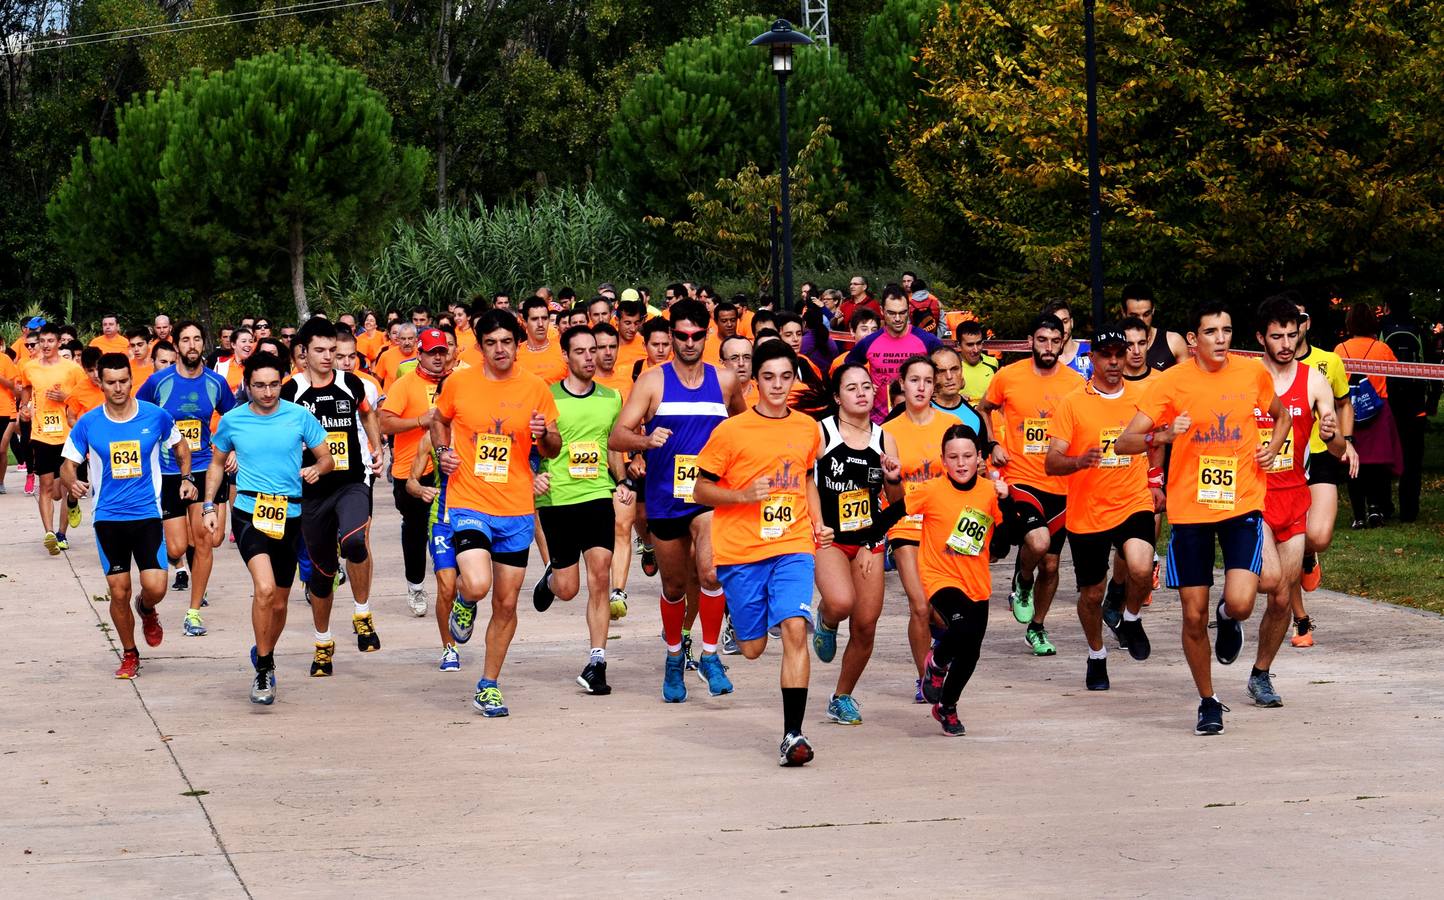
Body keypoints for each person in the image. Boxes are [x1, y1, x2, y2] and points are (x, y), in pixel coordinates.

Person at [1116, 301, 1291, 735]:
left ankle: (1229, 619)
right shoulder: (1171, 383)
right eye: (1211, 332)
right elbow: (1124, 442)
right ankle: (1208, 701)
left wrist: (1273, 445)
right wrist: (1164, 434)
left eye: (1226, 331)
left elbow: (1282, 413)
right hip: (1191, 510)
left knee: (1241, 602)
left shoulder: (1251, 373)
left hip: (1241, 503)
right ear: (1193, 340)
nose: (1220, 339)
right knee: (1192, 618)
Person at [694, 339, 832, 765]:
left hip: (792, 543)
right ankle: (739, 621)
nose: (776, 385)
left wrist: (817, 520)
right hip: (741, 551)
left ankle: (793, 734)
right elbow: (699, 489)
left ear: (794, 380)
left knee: (794, 628)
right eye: (768, 377)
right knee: (753, 649)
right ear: (753, 381)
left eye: (785, 377)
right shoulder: (731, 431)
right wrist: (739, 495)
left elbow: (807, 478)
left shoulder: (808, 428)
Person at [609, 299, 746, 701]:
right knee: (673, 587)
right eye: (681, 335)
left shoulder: (724, 381)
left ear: (708, 336)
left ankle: (710, 654)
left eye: (696, 336)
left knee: (710, 575)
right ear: (671, 336)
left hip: (707, 496)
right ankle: (673, 658)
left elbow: (743, 426)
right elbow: (617, 436)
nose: (688, 342)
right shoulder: (652, 381)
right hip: (665, 498)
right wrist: (645, 441)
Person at [434, 310, 561, 718]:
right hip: (469, 500)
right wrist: (443, 453)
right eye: (492, 343)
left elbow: (553, 447)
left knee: (506, 604)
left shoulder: (536, 388)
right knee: (476, 581)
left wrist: (545, 435)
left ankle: (488, 685)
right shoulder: (458, 382)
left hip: (517, 509)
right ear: (480, 346)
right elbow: (439, 421)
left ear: (517, 344)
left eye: (507, 341)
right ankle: (465, 601)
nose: (500, 349)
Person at [204, 351, 333, 704]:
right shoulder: (232, 420)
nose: (267, 392)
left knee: (278, 602)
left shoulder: (299, 417)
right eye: (259, 385)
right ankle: (263, 669)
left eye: (274, 384)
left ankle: (265, 652)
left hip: (290, 515)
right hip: (249, 510)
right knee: (263, 589)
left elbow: (327, 457)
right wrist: (208, 506)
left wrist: (317, 470)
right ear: (247, 386)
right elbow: (215, 465)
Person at [1044, 326, 1161, 691]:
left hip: (1133, 500)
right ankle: (1096, 654)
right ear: (1091, 359)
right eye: (1105, 355)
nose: (1113, 362)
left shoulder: (1144, 397)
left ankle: (1131, 617)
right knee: (1092, 594)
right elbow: (1051, 462)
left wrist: (1156, 480)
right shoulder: (1072, 402)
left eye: (1119, 354)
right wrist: (1079, 461)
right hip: (1088, 510)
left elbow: (1155, 440)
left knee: (1142, 568)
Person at [61, 353, 191, 678]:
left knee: (156, 586)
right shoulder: (90, 423)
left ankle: (147, 609)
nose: (118, 388)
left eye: (123, 381)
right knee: (119, 589)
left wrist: (186, 477)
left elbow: (180, 446)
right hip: (108, 517)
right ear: (100, 383)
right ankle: (130, 653)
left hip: (146, 514)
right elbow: (68, 464)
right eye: (111, 382)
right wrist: (72, 482)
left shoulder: (155, 416)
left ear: (131, 380)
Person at [1246, 298, 1344, 708]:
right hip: (1252, 497)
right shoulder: (1246, 378)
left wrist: (1332, 432)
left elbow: (1336, 449)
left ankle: (1261, 674)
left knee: (1283, 598)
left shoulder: (1314, 381)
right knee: (1268, 581)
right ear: (1260, 338)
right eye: (1276, 336)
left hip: (1294, 497)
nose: (1285, 343)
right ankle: (1232, 610)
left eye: (1291, 334)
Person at [282, 318, 386, 677]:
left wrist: (377, 447)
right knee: (323, 575)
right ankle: (323, 643)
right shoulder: (290, 391)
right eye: (321, 351)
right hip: (311, 493)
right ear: (303, 353)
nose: (329, 358)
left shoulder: (350, 383)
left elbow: (368, 414)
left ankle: (362, 613)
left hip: (351, 481)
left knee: (355, 540)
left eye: (334, 351)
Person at [888, 424, 1007, 736]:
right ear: (943, 460)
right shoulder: (931, 490)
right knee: (961, 628)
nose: (961, 463)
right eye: (953, 457)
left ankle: (947, 706)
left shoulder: (988, 492)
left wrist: (1007, 501)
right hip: (939, 576)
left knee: (971, 651)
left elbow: (1006, 541)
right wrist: (864, 538)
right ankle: (937, 662)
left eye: (968, 455)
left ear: (979, 457)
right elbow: (895, 511)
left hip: (977, 582)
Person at [978, 314, 1084, 655]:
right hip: (1021, 477)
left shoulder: (1075, 382)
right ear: (1030, 341)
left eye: (1055, 341)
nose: (1049, 347)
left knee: (1052, 565)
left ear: (1062, 343)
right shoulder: (1008, 376)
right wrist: (992, 442)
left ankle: (1037, 627)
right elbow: (984, 408)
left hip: (1063, 484)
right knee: (1037, 543)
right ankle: (1023, 581)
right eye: (1042, 340)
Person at [531, 326, 628, 695]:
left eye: (595, 350)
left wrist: (622, 480)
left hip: (597, 494)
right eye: (581, 351)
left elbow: (614, 445)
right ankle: (552, 578)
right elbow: (529, 444)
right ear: (566, 357)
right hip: (557, 499)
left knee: (600, 575)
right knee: (569, 589)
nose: (590, 357)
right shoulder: (547, 396)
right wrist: (534, 478)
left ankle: (597, 662)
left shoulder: (611, 398)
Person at [810, 363, 902, 724]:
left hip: (869, 540)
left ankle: (842, 696)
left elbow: (897, 502)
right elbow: (805, 483)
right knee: (840, 602)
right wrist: (817, 525)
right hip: (830, 538)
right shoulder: (822, 433)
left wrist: (893, 477)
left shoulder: (885, 439)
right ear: (837, 397)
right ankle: (826, 620)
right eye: (852, 388)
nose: (862, 392)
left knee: (866, 623)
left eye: (867, 386)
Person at [135, 322, 236, 637]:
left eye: (196, 339)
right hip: (169, 472)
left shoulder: (216, 383)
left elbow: (235, 419)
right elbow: (136, 412)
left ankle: (193, 613)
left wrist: (231, 449)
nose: (191, 345)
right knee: (178, 546)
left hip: (206, 468)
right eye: (185, 340)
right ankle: (159, 588)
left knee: (207, 540)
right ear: (176, 345)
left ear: (203, 344)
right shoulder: (158, 382)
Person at [881, 356, 955, 698]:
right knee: (920, 605)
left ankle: (940, 653)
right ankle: (925, 679)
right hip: (906, 525)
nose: (922, 387)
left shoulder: (951, 426)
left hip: (943, 527)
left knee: (947, 609)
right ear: (902, 383)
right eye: (915, 380)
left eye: (928, 380)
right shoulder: (887, 432)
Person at [1286, 293, 1354, 634]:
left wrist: (1347, 441)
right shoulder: (1262, 371)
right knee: (1290, 541)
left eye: (1299, 319)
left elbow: (1344, 403)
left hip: (1321, 452)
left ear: (1307, 323)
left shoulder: (1329, 361)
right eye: (1285, 321)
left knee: (1318, 536)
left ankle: (1310, 556)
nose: (1292, 328)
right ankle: (1300, 619)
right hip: (1284, 460)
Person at [380, 331, 451, 614]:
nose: (437, 358)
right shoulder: (404, 384)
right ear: (419, 354)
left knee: (451, 529)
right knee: (416, 529)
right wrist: (421, 420)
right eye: (431, 352)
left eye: (441, 352)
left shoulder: (455, 383)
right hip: (410, 470)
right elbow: (385, 423)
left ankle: (452, 585)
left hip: (448, 467)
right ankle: (416, 585)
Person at [16, 322, 85, 554]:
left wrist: (66, 396)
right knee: (46, 486)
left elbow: (83, 397)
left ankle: (62, 533)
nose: (45, 345)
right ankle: (49, 533)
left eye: (50, 341)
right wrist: (24, 407)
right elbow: (26, 389)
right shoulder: (30, 367)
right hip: (42, 434)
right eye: (41, 341)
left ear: (58, 342)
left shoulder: (72, 369)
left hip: (67, 434)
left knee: (63, 489)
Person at [1335, 302, 1403, 529]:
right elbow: (1397, 374)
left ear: (1350, 323)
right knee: (1377, 465)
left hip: (1350, 412)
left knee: (1353, 463)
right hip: (1378, 410)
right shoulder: (1382, 348)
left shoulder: (1339, 350)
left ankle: (1359, 515)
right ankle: (1376, 509)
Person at [845, 289, 945, 423]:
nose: (897, 319)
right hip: (879, 420)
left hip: (919, 419)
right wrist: (863, 384)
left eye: (902, 313)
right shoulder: (869, 342)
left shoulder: (926, 340)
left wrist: (938, 389)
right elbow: (848, 369)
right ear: (882, 310)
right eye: (891, 313)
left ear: (908, 309)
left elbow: (946, 367)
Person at [1378, 291, 1433, 524]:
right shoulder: (1418, 328)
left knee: (1384, 456)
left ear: (1387, 306)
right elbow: (1430, 363)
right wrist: (1431, 401)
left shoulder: (1382, 329)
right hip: (1415, 404)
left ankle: (1384, 507)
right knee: (1413, 458)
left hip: (1387, 405)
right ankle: (1409, 510)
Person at [1121, 283, 1189, 370]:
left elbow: (1188, 379)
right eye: (1134, 316)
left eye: (1146, 314)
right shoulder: (1113, 345)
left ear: (1153, 310)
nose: (1141, 320)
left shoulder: (1173, 341)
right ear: (1123, 312)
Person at [517, 296, 568, 384]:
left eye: (544, 318)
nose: (540, 324)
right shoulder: (515, 354)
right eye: (534, 319)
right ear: (525, 322)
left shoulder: (564, 351)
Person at [1044, 300, 1092, 380]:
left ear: (1071, 322)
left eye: (1065, 321)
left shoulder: (1091, 350)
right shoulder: (1045, 357)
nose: (1062, 327)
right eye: (1056, 322)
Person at [955, 319, 999, 405]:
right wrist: (955, 398)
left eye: (979, 343)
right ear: (958, 346)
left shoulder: (993, 363)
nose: (976, 350)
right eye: (970, 345)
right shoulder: (950, 368)